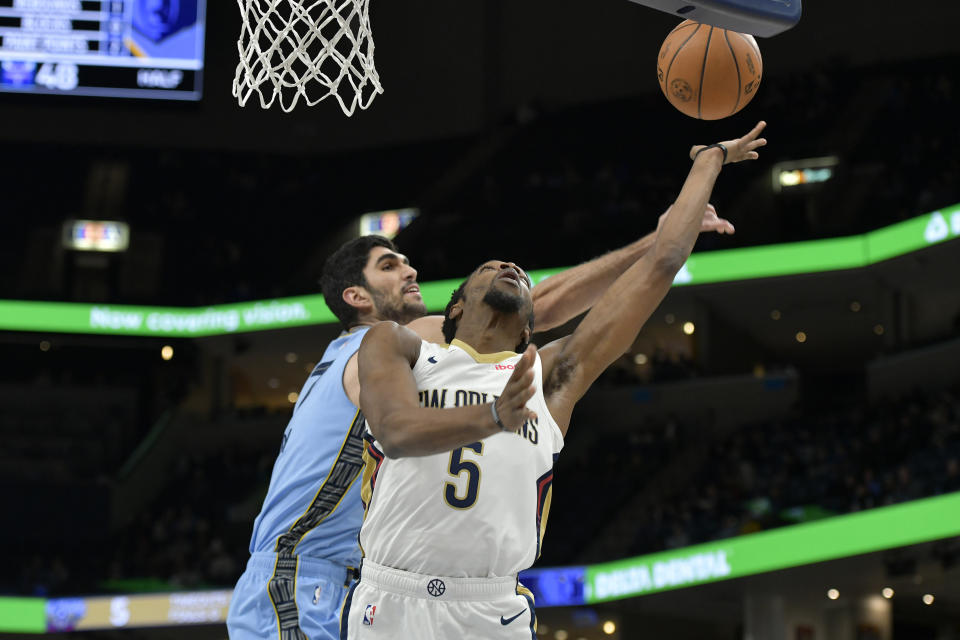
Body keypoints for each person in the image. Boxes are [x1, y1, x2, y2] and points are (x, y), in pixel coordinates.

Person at [226, 194, 735, 640]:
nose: (410, 272)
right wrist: (658, 239)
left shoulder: (350, 356)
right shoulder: (374, 343)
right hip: (301, 575)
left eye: (407, 263)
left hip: (337, 578)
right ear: (356, 298)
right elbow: (539, 306)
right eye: (389, 266)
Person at [342, 122, 767, 638]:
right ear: (456, 306)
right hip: (392, 599)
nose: (510, 268)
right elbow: (395, 431)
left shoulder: (549, 379)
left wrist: (709, 161)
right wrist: (493, 416)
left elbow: (663, 263)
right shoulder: (400, 347)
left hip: (492, 607)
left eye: (520, 272)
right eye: (493, 265)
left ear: (529, 325)